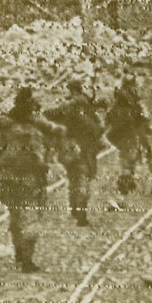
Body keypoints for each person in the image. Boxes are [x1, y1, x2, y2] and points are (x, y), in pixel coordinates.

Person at [0, 88, 65, 271]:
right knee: (31, 218)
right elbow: (58, 133)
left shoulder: (6, 125)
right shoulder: (37, 128)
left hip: (8, 178)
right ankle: (27, 260)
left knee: (16, 216)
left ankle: (19, 253)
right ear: (33, 110)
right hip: (31, 179)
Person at [44, 80, 106, 227]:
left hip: (68, 150)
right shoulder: (84, 109)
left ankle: (74, 207)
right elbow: (96, 129)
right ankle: (80, 212)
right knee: (83, 180)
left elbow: (48, 114)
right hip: (84, 150)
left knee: (74, 179)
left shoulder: (68, 106)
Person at [105, 74, 152, 195]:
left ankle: (128, 180)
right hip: (127, 130)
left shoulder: (118, 100)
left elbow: (108, 117)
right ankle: (124, 184)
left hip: (117, 132)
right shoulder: (130, 99)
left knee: (128, 156)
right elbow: (138, 114)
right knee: (130, 156)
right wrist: (144, 122)